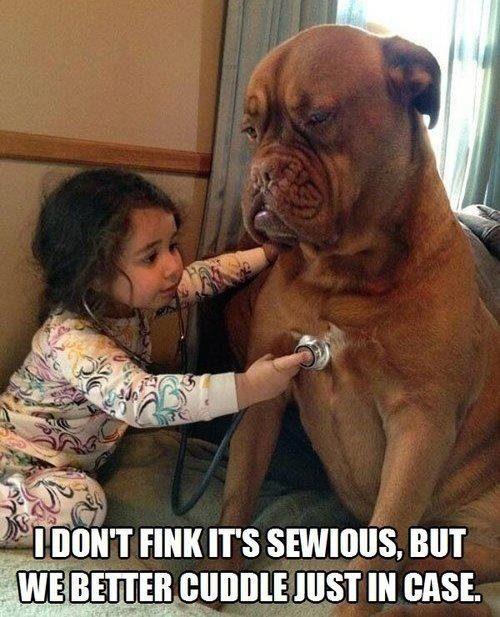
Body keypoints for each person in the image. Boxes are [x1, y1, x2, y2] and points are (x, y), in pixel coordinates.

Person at [0, 168, 309, 548]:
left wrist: (267, 254)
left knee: (81, 495)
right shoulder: (72, 339)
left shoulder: (134, 304)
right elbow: (142, 399)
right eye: (150, 256)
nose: (173, 266)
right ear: (93, 273)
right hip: (15, 458)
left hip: (55, 469)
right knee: (86, 504)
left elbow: (205, 276)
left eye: (172, 245)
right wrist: (246, 387)